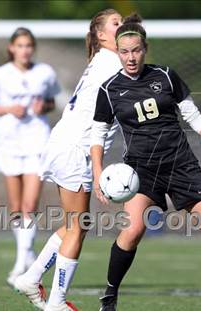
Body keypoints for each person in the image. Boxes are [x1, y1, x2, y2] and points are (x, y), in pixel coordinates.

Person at [91, 14, 201, 311]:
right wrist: (98, 174)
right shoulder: (109, 89)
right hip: (141, 170)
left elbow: (193, 116)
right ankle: (109, 297)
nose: (131, 57)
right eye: (124, 52)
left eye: (136, 50)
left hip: (181, 165)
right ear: (118, 51)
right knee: (134, 230)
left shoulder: (165, 76)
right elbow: (97, 136)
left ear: (144, 49)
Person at [14, 9, 123, 311]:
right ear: (101, 35)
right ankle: (57, 303)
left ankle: (31, 276)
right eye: (117, 24)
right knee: (78, 225)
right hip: (76, 147)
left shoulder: (101, 60)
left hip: (64, 141)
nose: (124, 27)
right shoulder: (114, 62)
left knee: (77, 222)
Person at [0, 27, 60, 288]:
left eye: (28, 46)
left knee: (29, 206)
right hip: (9, 144)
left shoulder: (45, 72)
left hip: (37, 142)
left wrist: (43, 106)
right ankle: (27, 257)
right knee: (16, 207)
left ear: (32, 48)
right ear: (11, 48)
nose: (24, 50)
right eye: (20, 45)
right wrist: (7, 108)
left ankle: (19, 263)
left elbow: (52, 101)